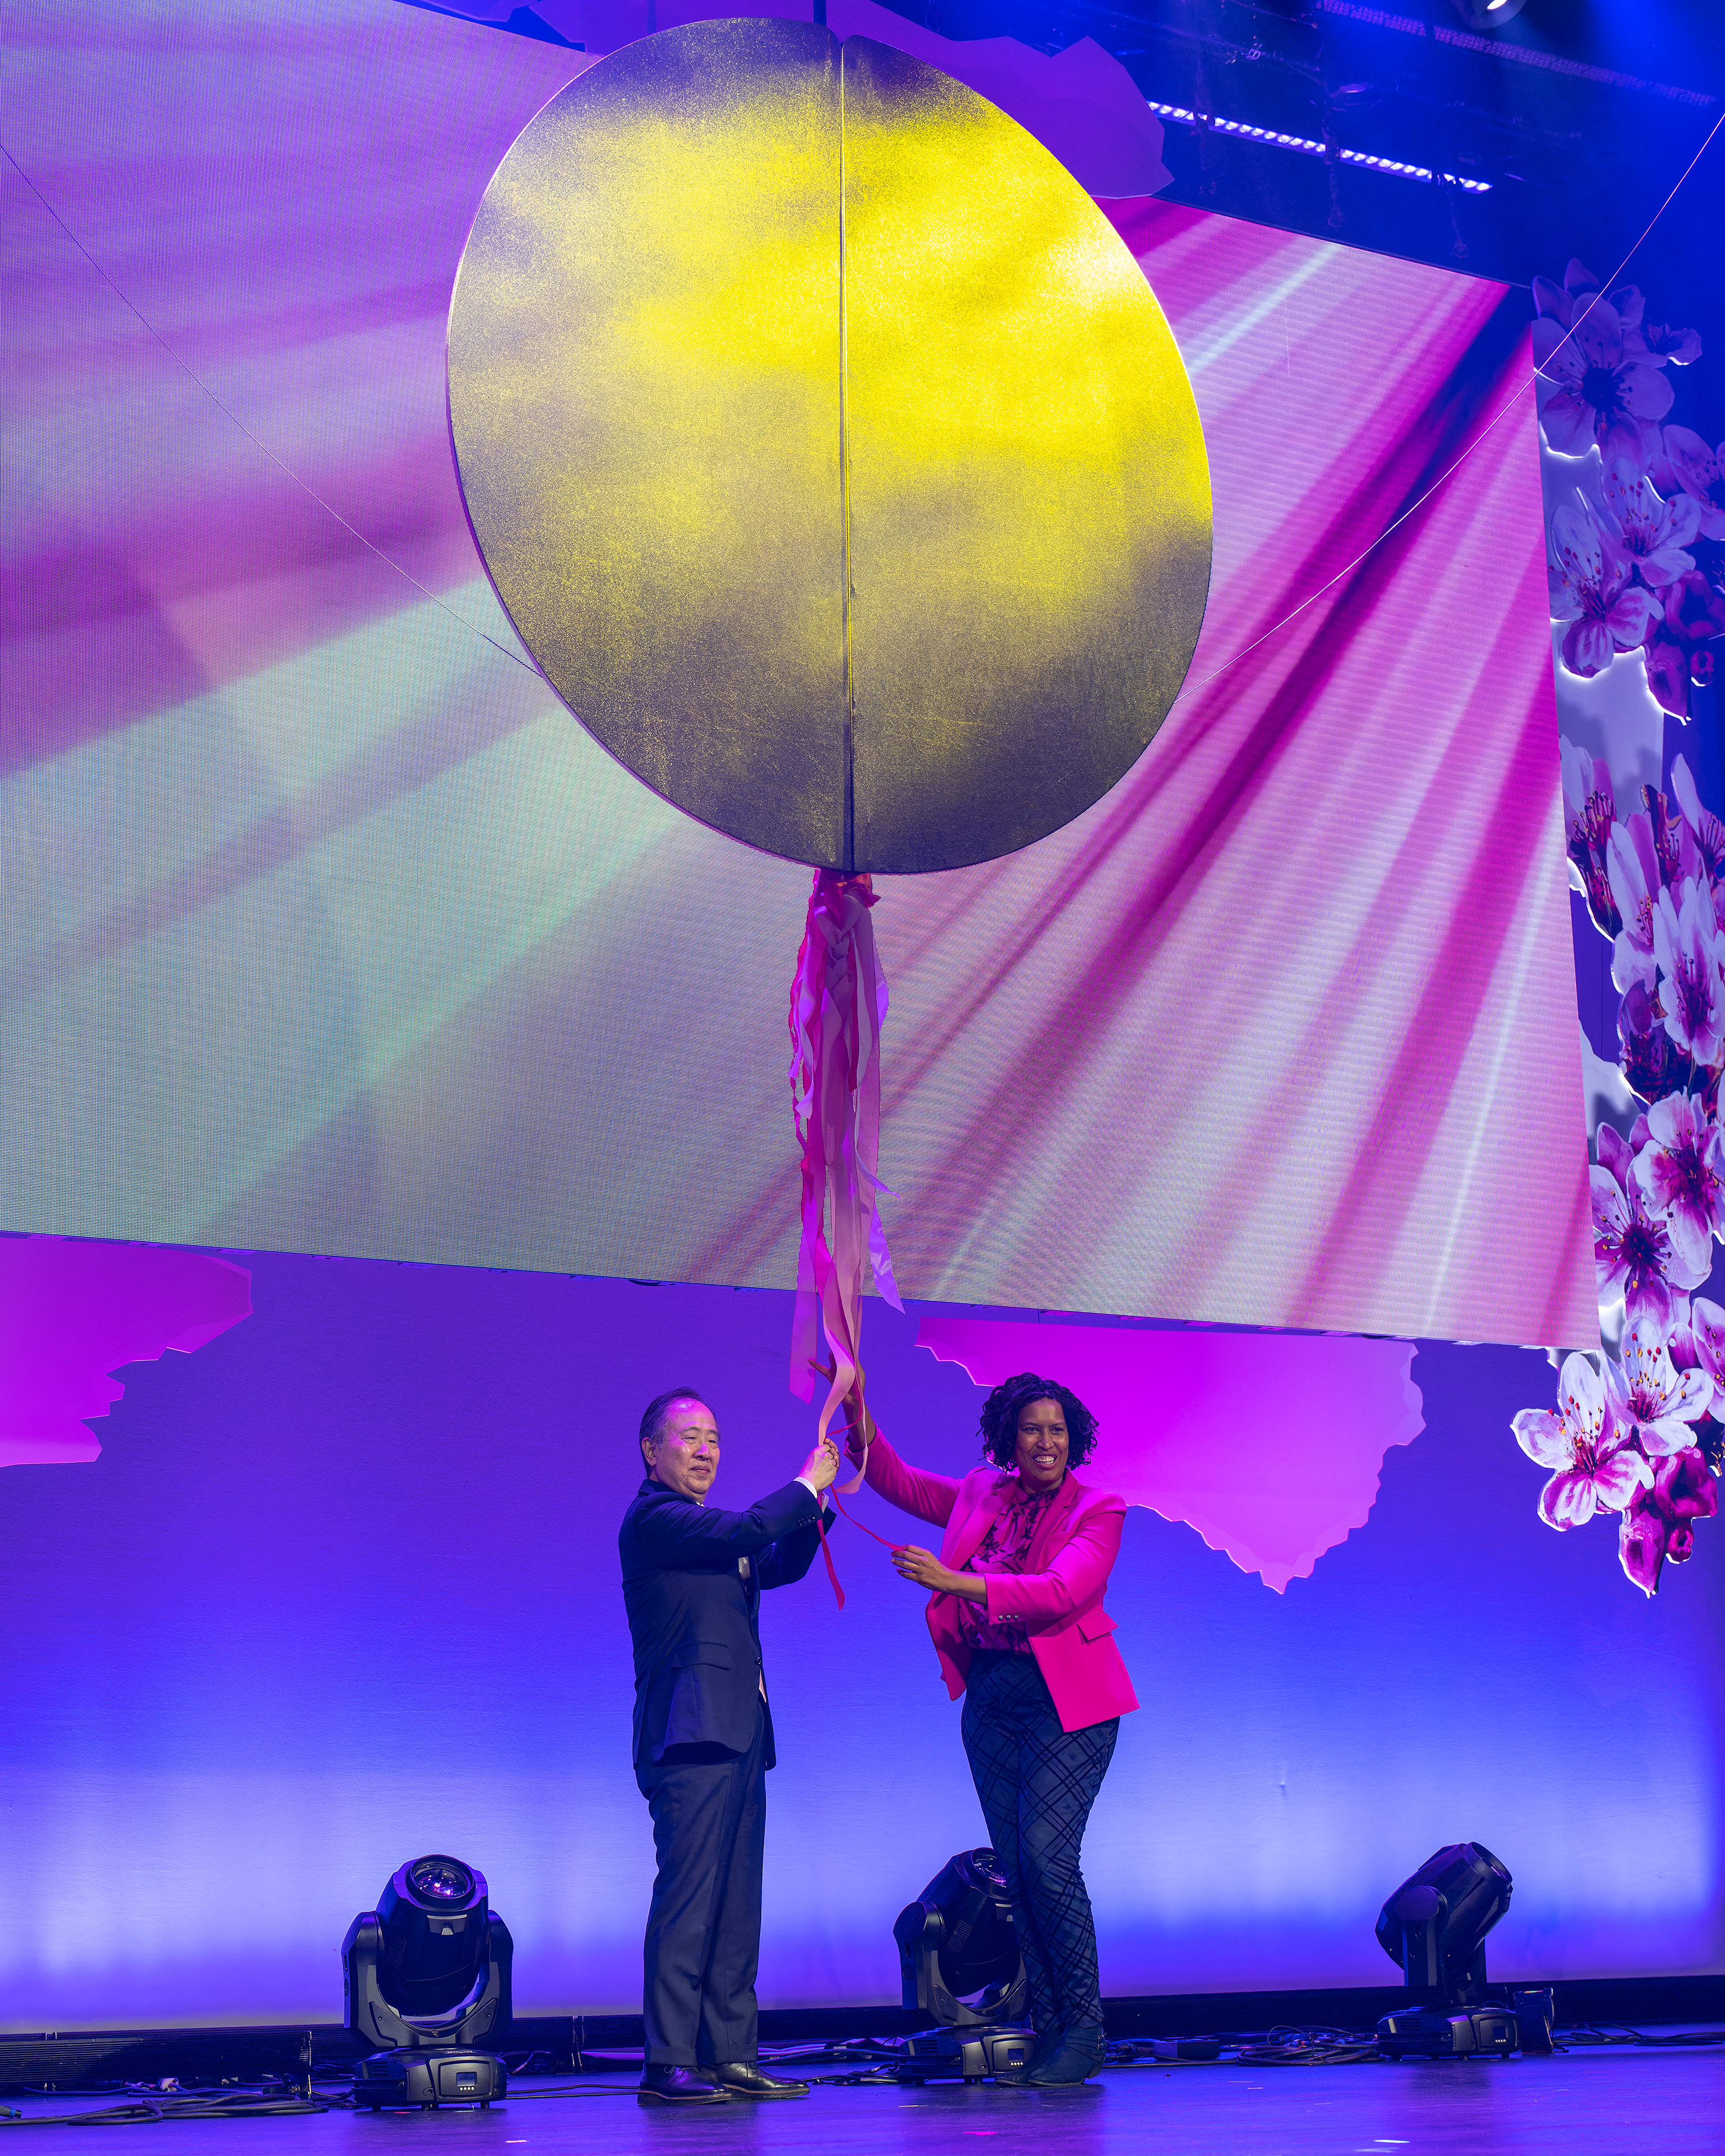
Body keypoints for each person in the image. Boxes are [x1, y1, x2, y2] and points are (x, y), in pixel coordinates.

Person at [844, 1370, 1137, 2087]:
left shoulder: (1099, 1507)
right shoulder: (983, 1492)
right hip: (994, 1697)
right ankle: (1050, 2027)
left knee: (1046, 1860)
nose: (1046, 1441)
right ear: (1010, 1437)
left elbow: (1063, 1591)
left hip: (1067, 1701)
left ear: (1075, 1439)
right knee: (1018, 1868)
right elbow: (898, 1480)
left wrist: (956, 1582)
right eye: (1033, 1429)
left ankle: (1086, 2031)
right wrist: (855, 1404)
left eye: (1058, 1429)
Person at [619, 1388, 840, 2105]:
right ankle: (669, 2061)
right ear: (652, 1451)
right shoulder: (657, 1519)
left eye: (713, 1436)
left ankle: (729, 2054)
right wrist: (806, 1484)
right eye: (688, 1437)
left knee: (738, 1903)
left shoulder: (715, 1538)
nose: (705, 1449)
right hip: (688, 1733)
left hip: (740, 1731)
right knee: (688, 1900)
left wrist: (821, 1507)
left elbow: (776, 1562)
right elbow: (749, 1527)